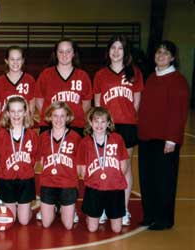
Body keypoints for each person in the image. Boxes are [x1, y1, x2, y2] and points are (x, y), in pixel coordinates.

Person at [137, 41, 189, 230]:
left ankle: (163, 219)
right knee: (147, 179)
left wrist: (172, 140)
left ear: (173, 57)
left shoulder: (178, 80)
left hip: (165, 140)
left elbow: (179, 113)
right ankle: (149, 215)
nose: (161, 56)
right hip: (146, 138)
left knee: (164, 181)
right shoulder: (151, 78)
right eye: (158, 52)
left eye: (166, 53)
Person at [93, 34, 144, 226]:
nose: (116, 52)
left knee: (124, 168)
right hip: (106, 126)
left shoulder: (135, 73)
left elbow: (136, 102)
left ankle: (122, 209)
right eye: (113, 48)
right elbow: (98, 103)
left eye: (120, 48)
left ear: (125, 52)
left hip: (127, 125)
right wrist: (100, 125)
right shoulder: (100, 74)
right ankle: (106, 208)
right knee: (106, 166)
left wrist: (127, 118)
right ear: (108, 51)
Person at [77, 107, 128, 233]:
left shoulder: (117, 139)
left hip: (115, 187)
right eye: (96, 121)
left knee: (117, 229)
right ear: (90, 122)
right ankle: (95, 214)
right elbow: (81, 169)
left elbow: (124, 165)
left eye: (103, 121)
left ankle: (106, 212)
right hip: (94, 188)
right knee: (92, 229)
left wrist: (113, 178)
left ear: (109, 123)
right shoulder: (85, 142)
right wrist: (94, 179)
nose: (99, 125)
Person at [0, 96, 38, 225]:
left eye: (19, 111)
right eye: (12, 111)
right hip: (7, 181)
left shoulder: (32, 135)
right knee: (10, 219)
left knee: (23, 221)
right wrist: (9, 170)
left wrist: (24, 171)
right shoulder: (0, 135)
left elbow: (34, 161)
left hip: (26, 180)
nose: (16, 115)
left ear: (25, 112)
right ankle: (6, 202)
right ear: (7, 113)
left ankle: (25, 207)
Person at [35, 38, 92, 135]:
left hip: (75, 125)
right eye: (61, 51)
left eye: (68, 51)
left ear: (74, 53)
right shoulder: (46, 74)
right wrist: (51, 117)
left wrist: (76, 117)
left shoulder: (82, 76)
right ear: (56, 54)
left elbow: (86, 104)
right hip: (50, 124)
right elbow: (39, 101)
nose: (64, 55)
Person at [38, 102, 81, 229]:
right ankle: (55, 206)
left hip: (67, 184)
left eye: (62, 116)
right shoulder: (43, 137)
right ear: (49, 117)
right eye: (55, 116)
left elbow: (78, 166)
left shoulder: (76, 137)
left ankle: (65, 206)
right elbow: (41, 161)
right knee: (46, 224)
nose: (58, 120)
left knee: (68, 226)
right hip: (48, 183)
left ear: (68, 117)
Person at [0, 46, 36, 122]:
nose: (15, 62)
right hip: (5, 125)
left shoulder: (30, 80)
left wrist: (27, 123)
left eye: (18, 59)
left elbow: (32, 106)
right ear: (6, 61)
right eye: (12, 59)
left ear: (23, 61)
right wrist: (3, 125)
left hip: (24, 125)